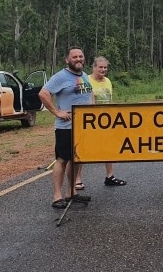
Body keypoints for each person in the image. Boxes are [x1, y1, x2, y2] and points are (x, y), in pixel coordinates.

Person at [39, 46, 94, 209]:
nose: (78, 59)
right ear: (67, 60)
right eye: (75, 57)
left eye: (81, 56)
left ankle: (71, 192)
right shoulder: (61, 77)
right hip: (66, 127)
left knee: (77, 159)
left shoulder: (84, 75)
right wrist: (57, 112)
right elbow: (43, 93)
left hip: (83, 127)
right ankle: (57, 196)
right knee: (62, 160)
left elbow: (89, 95)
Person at [74, 56, 127, 188]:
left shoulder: (108, 81)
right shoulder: (85, 80)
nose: (103, 70)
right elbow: (81, 100)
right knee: (82, 150)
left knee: (107, 149)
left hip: (107, 122)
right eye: (100, 67)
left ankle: (110, 176)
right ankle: (77, 179)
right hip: (90, 121)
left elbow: (110, 100)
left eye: (105, 67)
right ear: (94, 67)